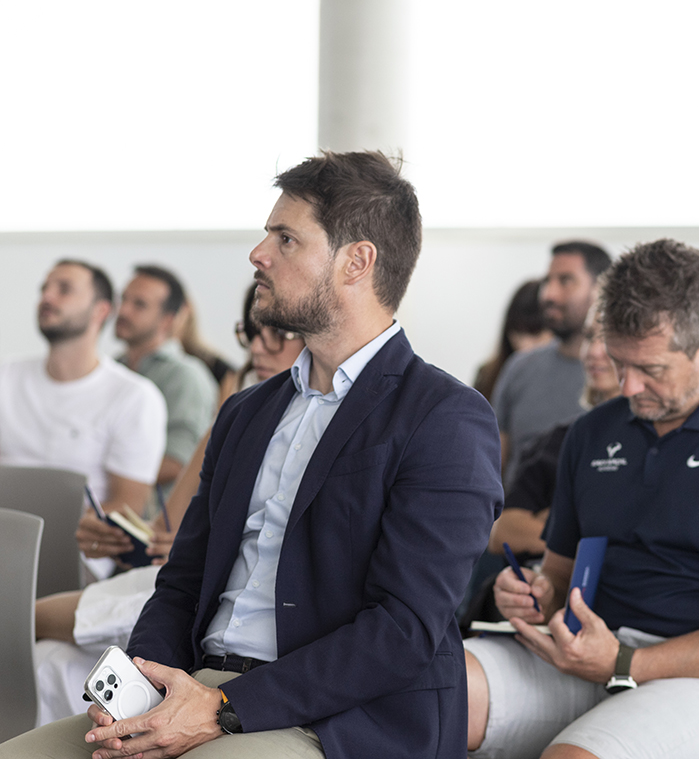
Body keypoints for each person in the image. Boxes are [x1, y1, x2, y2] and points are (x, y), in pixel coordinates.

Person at [0, 150, 503, 759]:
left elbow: (402, 630)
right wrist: (142, 684)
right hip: (196, 687)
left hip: (332, 718)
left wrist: (223, 707)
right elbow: (182, 582)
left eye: (286, 239)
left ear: (357, 261)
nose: (258, 254)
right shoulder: (247, 412)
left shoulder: (445, 418)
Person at [466, 238, 699, 759]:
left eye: (652, 369)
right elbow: (560, 579)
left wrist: (627, 664)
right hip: (592, 655)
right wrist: (533, 594)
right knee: (422, 692)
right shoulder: (592, 433)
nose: (629, 387)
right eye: (619, 363)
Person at [32, 282, 307, 726]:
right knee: (48, 651)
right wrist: (120, 535)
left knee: (32, 620)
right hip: (171, 581)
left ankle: (22, 617)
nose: (258, 347)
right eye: (251, 333)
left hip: (209, 600)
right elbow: (166, 532)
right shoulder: (237, 412)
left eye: (277, 334)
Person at [0, 259, 167, 578]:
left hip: (76, 560)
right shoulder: (6, 376)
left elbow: (126, 508)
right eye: (44, 288)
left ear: (100, 311)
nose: (47, 297)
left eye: (64, 289)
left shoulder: (134, 397)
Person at [492, 242, 611, 484]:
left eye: (566, 281)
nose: (549, 295)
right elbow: (493, 466)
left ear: (599, 289)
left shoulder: (621, 378)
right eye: (548, 281)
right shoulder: (519, 368)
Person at [116, 265, 218, 490]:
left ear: (168, 319)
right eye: (123, 299)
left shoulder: (185, 376)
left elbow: (178, 462)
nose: (123, 311)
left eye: (139, 304)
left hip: (148, 510)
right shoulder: (113, 368)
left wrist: (105, 475)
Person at [473, 278, 552, 403]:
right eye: (518, 333)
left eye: (535, 334)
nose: (525, 345)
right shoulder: (486, 376)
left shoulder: (568, 378)